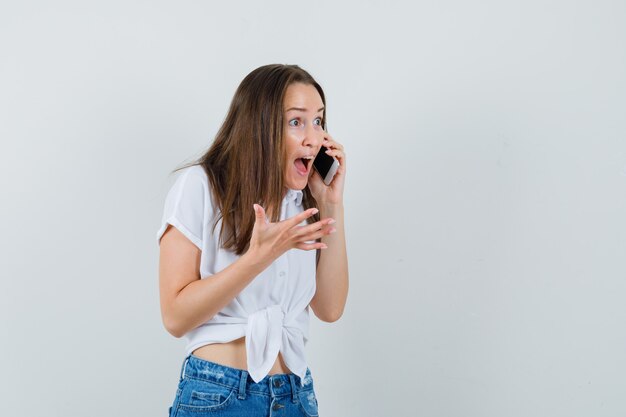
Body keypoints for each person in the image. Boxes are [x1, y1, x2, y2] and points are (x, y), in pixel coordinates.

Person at [156, 64, 348, 416]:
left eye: (318, 121)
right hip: (220, 394)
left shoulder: (302, 200)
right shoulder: (201, 186)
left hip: (295, 396)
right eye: (296, 122)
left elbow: (330, 308)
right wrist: (258, 257)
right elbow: (175, 316)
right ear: (260, 127)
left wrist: (330, 202)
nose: (314, 138)